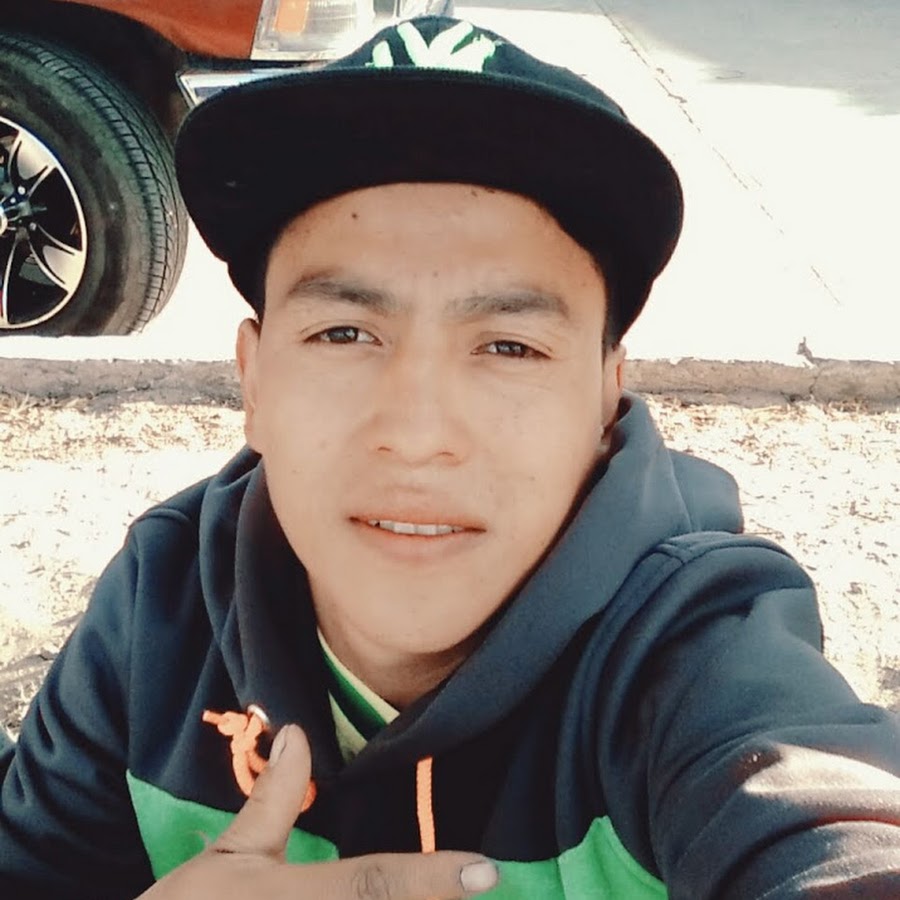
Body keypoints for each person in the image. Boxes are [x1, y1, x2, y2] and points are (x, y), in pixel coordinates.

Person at [2, 14, 899, 899]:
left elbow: (828, 824)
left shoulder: (694, 653)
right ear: (255, 381)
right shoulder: (160, 611)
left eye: (510, 346)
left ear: (606, 399)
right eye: (344, 332)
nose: (418, 433)